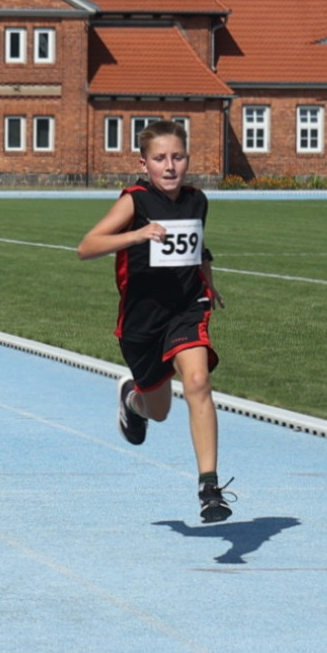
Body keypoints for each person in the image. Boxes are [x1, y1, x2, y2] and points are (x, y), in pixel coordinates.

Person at [77, 120, 233, 523]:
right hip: (142, 321)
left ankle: (209, 488)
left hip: (186, 308)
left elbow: (199, 246)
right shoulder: (135, 201)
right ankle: (132, 400)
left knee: (198, 382)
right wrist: (137, 235)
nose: (169, 166)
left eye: (177, 157)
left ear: (188, 160)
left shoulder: (197, 200)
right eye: (160, 158)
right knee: (158, 410)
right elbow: (87, 246)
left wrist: (209, 284)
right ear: (143, 163)